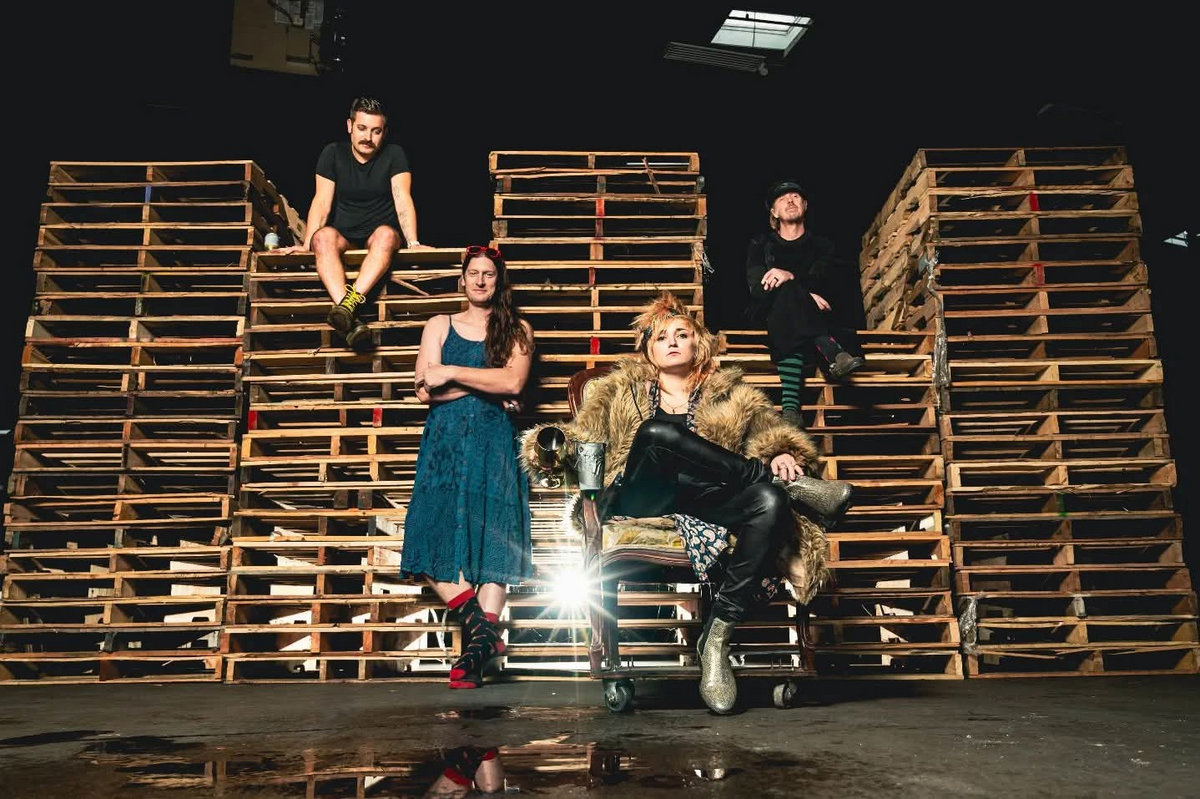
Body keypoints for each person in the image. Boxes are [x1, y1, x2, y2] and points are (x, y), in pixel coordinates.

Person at [519, 292, 853, 714]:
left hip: (706, 500)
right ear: (649, 350)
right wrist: (549, 446)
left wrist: (782, 453)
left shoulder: (731, 393)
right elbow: (579, 438)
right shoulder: (618, 391)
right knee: (657, 435)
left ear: (699, 343)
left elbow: (770, 433)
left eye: (682, 334)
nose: (673, 342)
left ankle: (717, 636)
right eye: (662, 337)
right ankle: (771, 480)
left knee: (769, 500)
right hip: (642, 497)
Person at [402, 245, 535, 689]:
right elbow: (426, 389)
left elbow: (514, 381)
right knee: (428, 533)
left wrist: (452, 372)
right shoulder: (439, 324)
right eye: (473, 273)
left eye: (488, 274)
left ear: (499, 281)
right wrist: (487, 383)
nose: (480, 280)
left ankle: (474, 656)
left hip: (494, 444)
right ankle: (484, 636)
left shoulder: (517, 329)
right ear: (462, 280)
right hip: (444, 444)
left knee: (494, 537)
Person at [276, 96, 434, 347]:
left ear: (384, 133)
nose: (368, 137)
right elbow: (322, 201)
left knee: (386, 235)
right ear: (349, 126)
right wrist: (307, 244)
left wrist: (413, 242)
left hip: (379, 237)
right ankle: (350, 317)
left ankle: (346, 308)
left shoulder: (394, 154)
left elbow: (402, 197)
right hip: (344, 236)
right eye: (362, 128)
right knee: (321, 237)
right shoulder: (332, 153)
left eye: (376, 131)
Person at [746, 179, 866, 428]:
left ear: (805, 205)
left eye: (795, 197)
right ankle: (831, 349)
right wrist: (804, 294)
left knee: (789, 299)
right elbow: (758, 289)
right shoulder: (761, 245)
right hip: (770, 315)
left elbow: (830, 283)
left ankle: (791, 410)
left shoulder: (823, 246)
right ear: (774, 212)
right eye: (782, 199)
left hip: (814, 319)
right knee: (785, 296)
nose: (790, 201)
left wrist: (790, 277)